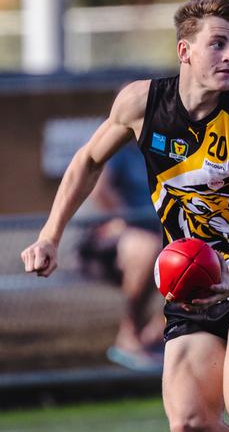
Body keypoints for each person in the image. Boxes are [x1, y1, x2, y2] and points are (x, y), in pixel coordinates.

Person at [22, 0, 229, 432]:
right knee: (190, 422)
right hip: (190, 276)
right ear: (184, 50)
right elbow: (89, 160)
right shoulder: (141, 103)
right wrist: (50, 235)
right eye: (218, 43)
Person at [78, 140, 164, 370]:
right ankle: (129, 334)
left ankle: (158, 332)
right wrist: (123, 220)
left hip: (159, 238)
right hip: (113, 238)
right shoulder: (118, 147)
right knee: (146, 246)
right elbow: (100, 190)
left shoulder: (162, 147)